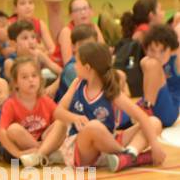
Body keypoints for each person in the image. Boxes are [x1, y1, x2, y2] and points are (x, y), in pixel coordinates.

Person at [54, 41, 164, 172]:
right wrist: (74, 117)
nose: (74, 67)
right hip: (83, 150)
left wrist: (155, 145)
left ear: (87, 67)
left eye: (76, 63)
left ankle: (130, 153)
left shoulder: (111, 91)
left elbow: (141, 116)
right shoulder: (77, 84)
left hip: (108, 146)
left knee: (154, 122)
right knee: (93, 126)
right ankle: (129, 155)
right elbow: (58, 112)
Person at [0, 56, 67, 167]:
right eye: (24, 77)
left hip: (42, 140)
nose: (31, 80)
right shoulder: (11, 103)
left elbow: (59, 124)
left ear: (40, 78)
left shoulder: (45, 100)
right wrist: (17, 153)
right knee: (13, 129)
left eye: (34, 76)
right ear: (15, 83)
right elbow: (1, 132)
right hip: (22, 147)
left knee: (61, 123)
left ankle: (39, 155)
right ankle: (45, 154)